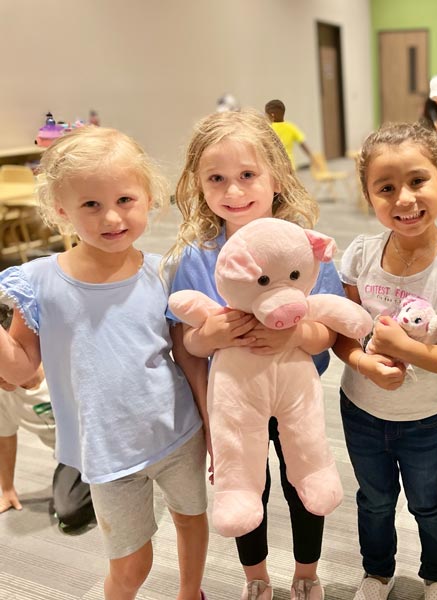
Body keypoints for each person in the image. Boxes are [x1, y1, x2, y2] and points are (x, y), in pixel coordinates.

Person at [0, 126, 209, 599]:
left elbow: (185, 353)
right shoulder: (38, 282)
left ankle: (190, 593)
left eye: (125, 200)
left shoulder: (163, 271)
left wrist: (211, 422)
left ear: (149, 198)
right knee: (132, 564)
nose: (112, 217)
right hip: (107, 450)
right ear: (61, 211)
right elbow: (18, 372)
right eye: (91, 205)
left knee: (192, 521)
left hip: (178, 432)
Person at [166, 108, 340, 600]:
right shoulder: (196, 257)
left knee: (303, 481)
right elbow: (189, 349)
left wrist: (296, 335)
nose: (234, 191)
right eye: (217, 178)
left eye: (247, 175)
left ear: (276, 176)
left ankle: (306, 573)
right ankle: (255, 577)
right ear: (198, 185)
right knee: (244, 490)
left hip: (294, 396)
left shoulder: (304, 247)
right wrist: (211, 336)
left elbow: (328, 332)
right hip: (233, 403)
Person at [333, 122, 437, 600]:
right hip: (360, 411)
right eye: (386, 187)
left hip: (424, 418)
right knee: (374, 501)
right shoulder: (360, 256)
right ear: (368, 195)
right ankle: (377, 573)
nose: (404, 199)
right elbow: (342, 336)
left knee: (429, 502)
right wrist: (363, 363)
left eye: (418, 181)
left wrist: (404, 350)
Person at [0, 302, 95, 529]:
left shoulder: (63, 359)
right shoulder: (4, 394)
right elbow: (6, 436)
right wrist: (7, 488)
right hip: (73, 456)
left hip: (107, 443)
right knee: (68, 512)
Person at [265, 99, 313, 169]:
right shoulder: (290, 126)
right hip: (289, 165)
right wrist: (311, 157)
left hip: (274, 166)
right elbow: (302, 143)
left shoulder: (266, 128)